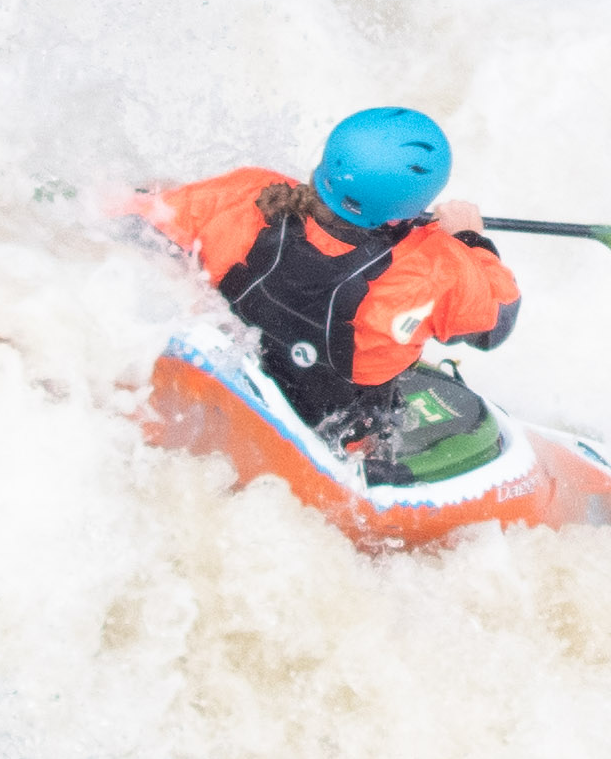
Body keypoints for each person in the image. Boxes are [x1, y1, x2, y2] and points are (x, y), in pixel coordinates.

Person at [140, 108, 523, 481]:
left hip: (225, 396)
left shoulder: (247, 193)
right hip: (332, 447)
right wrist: (468, 238)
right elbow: (497, 322)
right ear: (402, 212)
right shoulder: (438, 266)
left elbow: (139, 220)